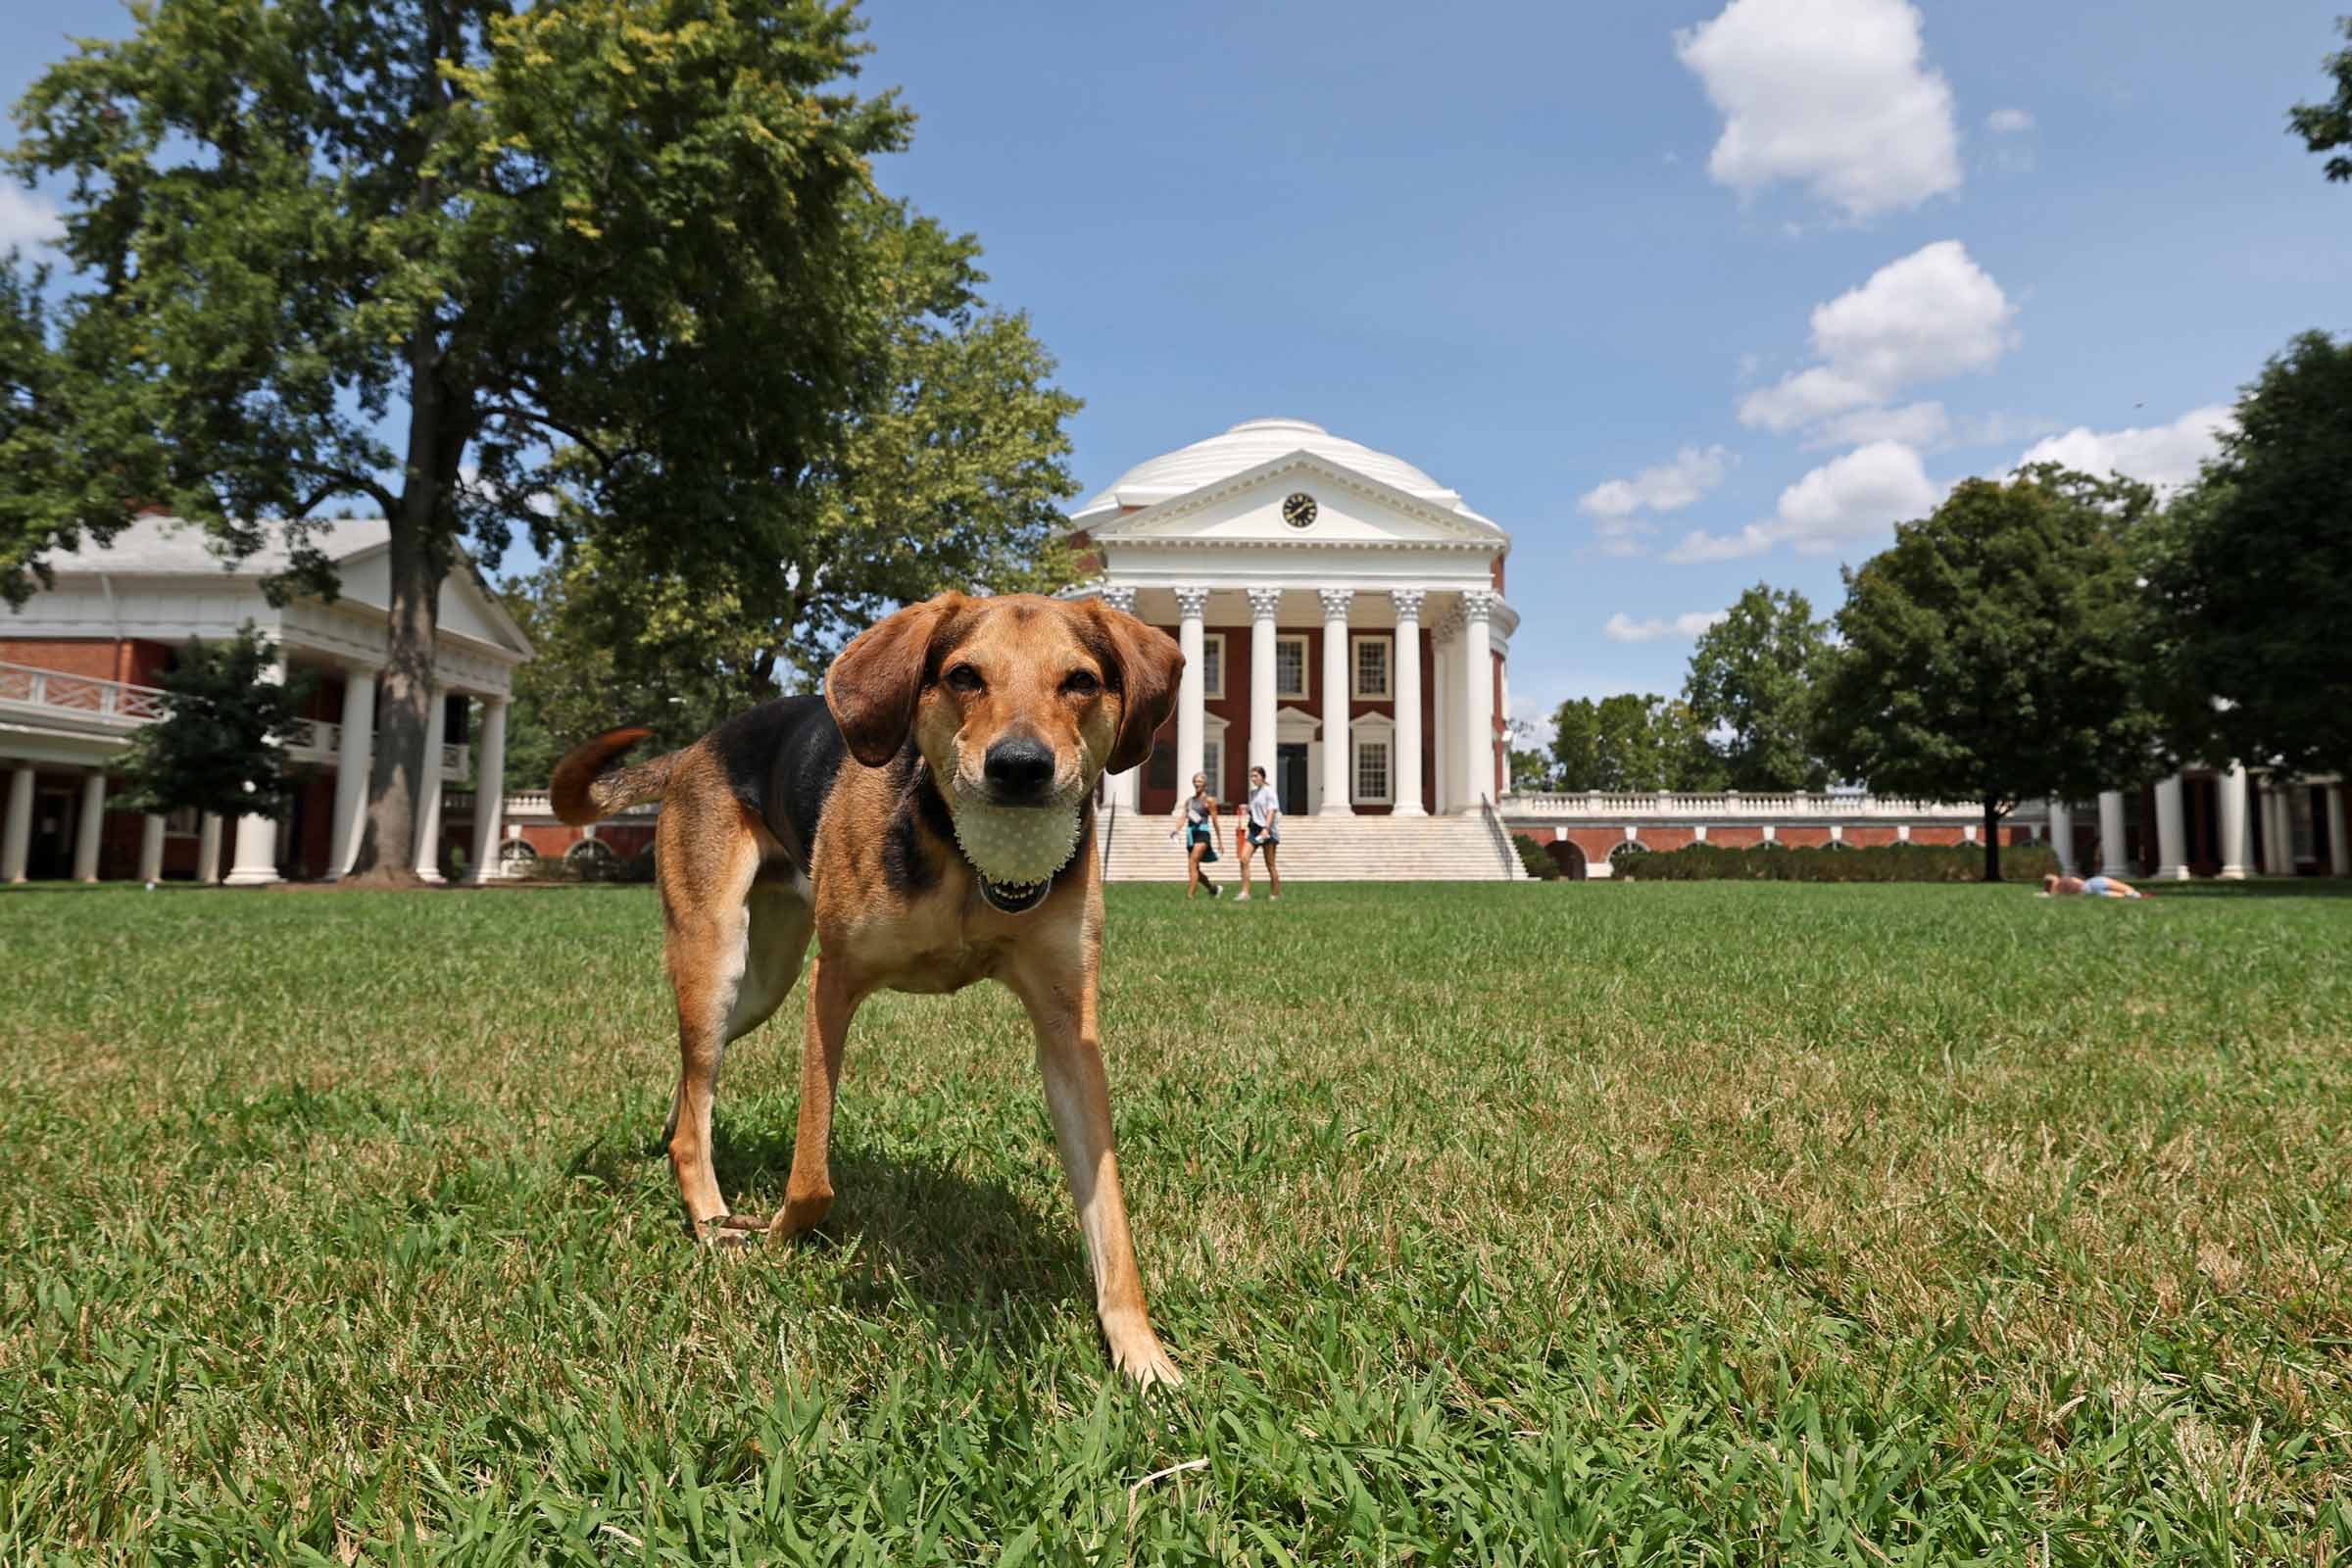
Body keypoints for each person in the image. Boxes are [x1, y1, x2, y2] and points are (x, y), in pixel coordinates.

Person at [1168, 772, 1223, 899]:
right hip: (1191, 834)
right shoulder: (1189, 801)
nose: (1197, 783)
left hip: (1203, 834)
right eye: (1195, 781)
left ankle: (1190, 895)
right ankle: (1213, 889)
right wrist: (1176, 830)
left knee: (1192, 863)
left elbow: (1215, 821)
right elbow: (1183, 817)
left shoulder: (1209, 801)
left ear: (1205, 784)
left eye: (1200, 781)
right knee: (1195, 868)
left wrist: (1220, 841)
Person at [1235, 763, 1281, 901]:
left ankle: (1275, 894)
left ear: (1263, 777)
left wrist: (1266, 828)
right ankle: (1245, 893)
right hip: (1254, 830)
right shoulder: (1253, 793)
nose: (1253, 779)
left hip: (1268, 830)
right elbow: (1255, 809)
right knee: (1243, 858)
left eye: (1256, 776)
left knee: (1270, 864)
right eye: (1251, 776)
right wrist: (1246, 808)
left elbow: (1272, 810)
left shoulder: (1269, 791)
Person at [2041, 872, 2150, 899]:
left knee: (2122, 895)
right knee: (2128, 889)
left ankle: (2138, 896)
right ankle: (2138, 895)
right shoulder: (2065, 878)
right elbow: (2080, 882)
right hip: (2093, 882)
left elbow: (2047, 895)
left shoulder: (2055, 892)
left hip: (2088, 891)